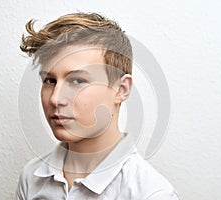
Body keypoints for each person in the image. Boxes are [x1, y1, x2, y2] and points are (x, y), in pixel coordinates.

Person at [16, 12, 179, 200]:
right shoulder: (31, 176)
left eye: (77, 80)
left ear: (121, 89)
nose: (55, 99)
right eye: (49, 80)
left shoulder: (151, 194)